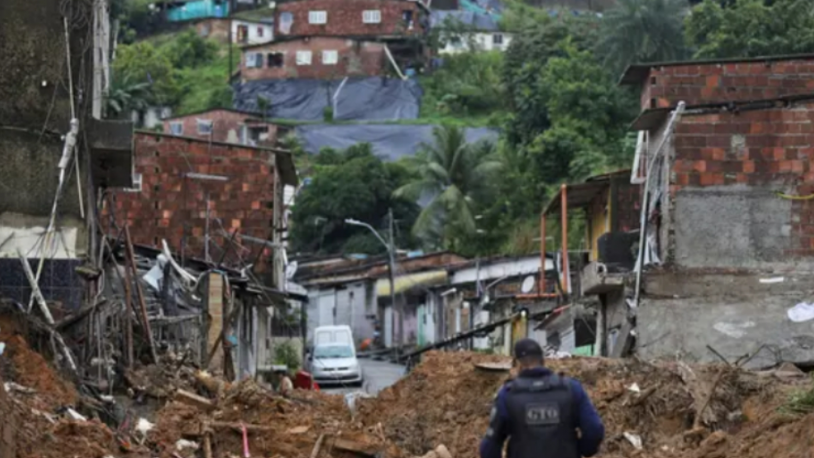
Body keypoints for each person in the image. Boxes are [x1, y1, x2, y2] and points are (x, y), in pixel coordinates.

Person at [479, 338, 605, 458]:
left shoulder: (507, 394)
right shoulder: (571, 388)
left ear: (518, 364)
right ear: (542, 360)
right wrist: (583, 450)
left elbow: (490, 445)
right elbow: (594, 429)